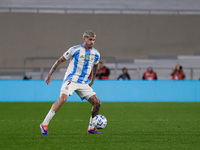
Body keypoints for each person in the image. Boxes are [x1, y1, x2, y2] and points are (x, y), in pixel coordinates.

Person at [40, 30, 103, 135]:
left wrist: (92, 80)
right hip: (71, 80)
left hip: (83, 83)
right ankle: (44, 124)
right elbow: (59, 61)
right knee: (62, 100)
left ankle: (91, 128)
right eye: (90, 39)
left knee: (97, 103)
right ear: (84, 39)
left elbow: (95, 66)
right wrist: (49, 75)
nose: (92, 42)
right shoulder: (75, 50)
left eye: (94, 40)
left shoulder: (96, 53)